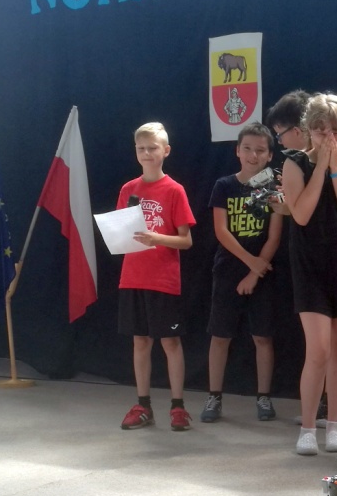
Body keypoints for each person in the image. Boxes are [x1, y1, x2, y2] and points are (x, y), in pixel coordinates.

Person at [267, 90, 337, 428]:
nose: (330, 138)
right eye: (322, 131)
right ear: (308, 130)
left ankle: (335, 425)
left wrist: (336, 170)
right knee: (319, 350)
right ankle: (308, 428)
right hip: (310, 262)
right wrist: (321, 165)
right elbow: (302, 215)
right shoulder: (294, 163)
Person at [200, 122, 283, 423]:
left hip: (263, 273)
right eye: (247, 148)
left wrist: (255, 273)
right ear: (237, 151)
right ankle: (214, 396)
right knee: (220, 336)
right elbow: (221, 231)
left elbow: (274, 236)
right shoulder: (224, 186)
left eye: (260, 150)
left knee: (262, 336)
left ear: (270, 155)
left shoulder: (274, 189)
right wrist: (251, 263)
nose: (253, 155)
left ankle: (263, 397)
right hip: (229, 270)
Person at [117, 122, 196, 431]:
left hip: (162, 279)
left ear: (166, 151)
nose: (147, 153)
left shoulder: (174, 190)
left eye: (152, 148)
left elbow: (186, 241)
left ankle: (178, 406)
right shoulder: (128, 189)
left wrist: (156, 238)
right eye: (141, 148)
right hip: (133, 277)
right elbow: (121, 230)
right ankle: (143, 405)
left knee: (170, 342)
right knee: (140, 341)